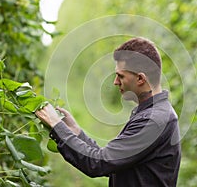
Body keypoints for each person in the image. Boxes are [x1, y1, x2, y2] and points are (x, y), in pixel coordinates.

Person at [35, 37, 181, 187]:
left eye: (120, 76)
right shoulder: (154, 113)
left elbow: (99, 163)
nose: (115, 82)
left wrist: (56, 125)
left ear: (140, 78)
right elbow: (112, 161)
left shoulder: (154, 120)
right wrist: (76, 132)